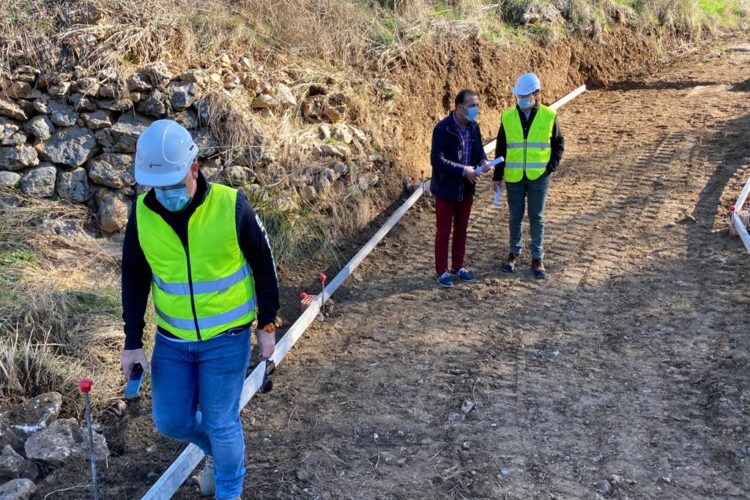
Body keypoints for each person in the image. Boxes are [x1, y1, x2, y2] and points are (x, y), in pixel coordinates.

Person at [119, 119, 280, 500]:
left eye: (174, 185)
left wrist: (268, 324)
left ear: (195, 167)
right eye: (159, 187)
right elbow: (134, 279)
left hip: (227, 339)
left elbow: (264, 263)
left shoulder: (230, 205)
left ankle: (229, 487)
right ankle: (217, 454)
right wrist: (131, 341)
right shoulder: (142, 214)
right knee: (170, 421)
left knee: (222, 421)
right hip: (173, 342)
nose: (167, 194)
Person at [493, 73, 564, 279]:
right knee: (515, 216)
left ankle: (537, 257)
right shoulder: (507, 117)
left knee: (536, 217)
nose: (522, 99)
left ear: (536, 94)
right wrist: (498, 175)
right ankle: (514, 253)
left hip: (538, 176)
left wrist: (550, 167)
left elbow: (558, 144)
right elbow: (501, 148)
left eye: (525, 95)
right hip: (514, 175)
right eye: (519, 95)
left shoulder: (549, 116)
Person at [430, 89, 488, 288]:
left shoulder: (474, 128)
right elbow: (437, 160)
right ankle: (441, 270)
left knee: (462, 229)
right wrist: (464, 170)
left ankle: (458, 266)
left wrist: (483, 162)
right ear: (459, 107)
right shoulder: (443, 129)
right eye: (472, 105)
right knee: (444, 230)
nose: (475, 109)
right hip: (446, 188)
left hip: (466, 188)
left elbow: (479, 151)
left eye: (477, 105)